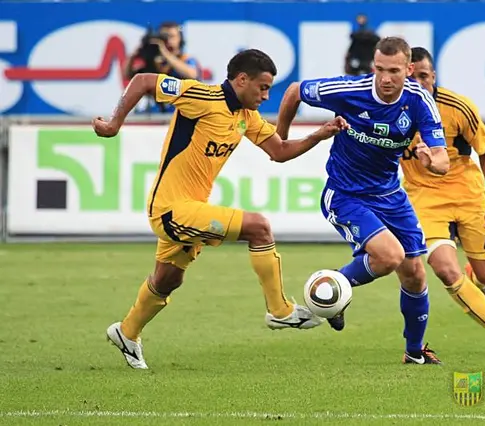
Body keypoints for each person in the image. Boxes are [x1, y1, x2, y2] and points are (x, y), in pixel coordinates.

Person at [93, 49, 349, 369]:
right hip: (171, 209)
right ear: (241, 80)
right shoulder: (201, 96)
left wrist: (321, 134)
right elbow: (144, 80)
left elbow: (279, 151)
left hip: (191, 211)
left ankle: (127, 332)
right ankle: (279, 311)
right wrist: (115, 123)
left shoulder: (245, 117)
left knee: (168, 279)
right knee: (259, 227)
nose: (266, 96)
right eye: (263, 87)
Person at [277, 37, 449, 365]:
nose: (386, 78)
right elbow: (295, 90)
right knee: (390, 256)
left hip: (390, 194)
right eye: (380, 69)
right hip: (345, 194)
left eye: (395, 71)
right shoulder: (348, 91)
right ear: (374, 66)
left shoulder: (419, 101)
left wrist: (431, 162)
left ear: (409, 70)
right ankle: (329, 291)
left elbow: (442, 159)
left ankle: (414, 353)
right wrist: (280, 137)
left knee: (414, 273)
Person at [400, 47, 485, 356]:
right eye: (412, 78)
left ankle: (475, 281)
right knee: (443, 267)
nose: (419, 84)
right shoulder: (389, 110)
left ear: (434, 76)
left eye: (425, 77)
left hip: (468, 195)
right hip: (423, 198)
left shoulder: (458, 107)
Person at [124, 21, 202, 114]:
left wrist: (165, 52)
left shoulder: (186, 60)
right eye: (164, 37)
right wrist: (134, 55)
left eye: (172, 36)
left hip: (183, 111)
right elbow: (129, 75)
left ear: (180, 39)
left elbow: (192, 74)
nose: (168, 40)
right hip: (158, 112)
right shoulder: (156, 62)